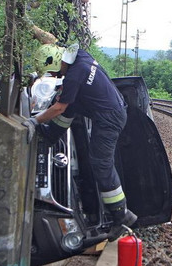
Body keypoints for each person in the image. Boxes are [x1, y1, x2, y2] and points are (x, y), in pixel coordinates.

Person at [23, 43, 135, 241]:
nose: (57, 75)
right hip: (112, 108)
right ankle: (52, 135)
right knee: (70, 103)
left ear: (59, 62)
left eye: (56, 71)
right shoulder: (80, 57)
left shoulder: (75, 75)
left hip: (109, 118)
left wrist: (34, 120)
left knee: (101, 163)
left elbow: (58, 108)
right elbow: (67, 105)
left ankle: (121, 215)